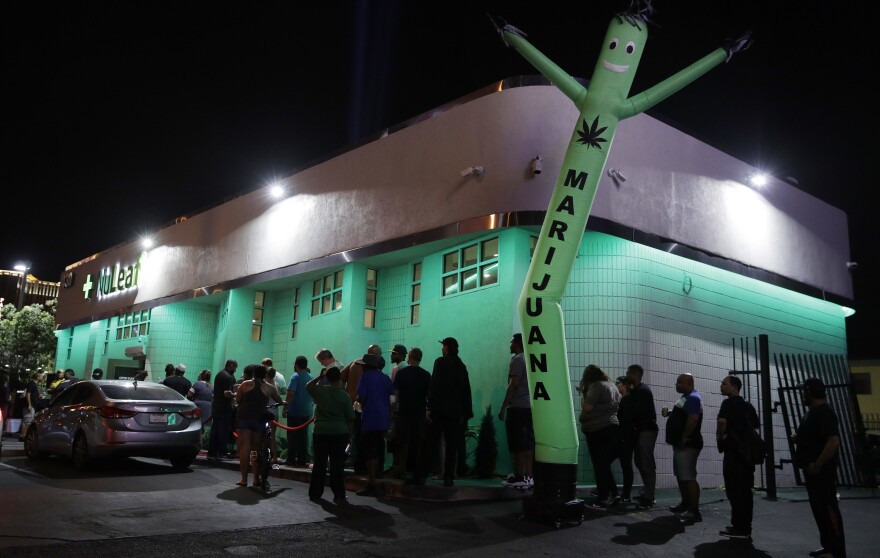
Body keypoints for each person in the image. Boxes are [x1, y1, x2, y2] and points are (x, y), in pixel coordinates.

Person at [794, 377, 846, 558]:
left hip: (822, 471)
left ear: (809, 391)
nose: (802, 394)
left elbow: (833, 442)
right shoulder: (812, 412)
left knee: (829, 509)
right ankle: (828, 545)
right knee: (819, 510)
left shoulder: (825, 412)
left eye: (803, 391)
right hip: (812, 471)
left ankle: (837, 550)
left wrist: (818, 464)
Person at [418, 337, 473, 487]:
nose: (442, 349)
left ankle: (421, 475)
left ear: (447, 348)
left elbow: (434, 386)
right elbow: (466, 392)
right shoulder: (461, 366)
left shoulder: (440, 362)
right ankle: (449, 477)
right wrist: (466, 414)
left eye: (443, 346)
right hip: (455, 414)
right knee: (451, 446)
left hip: (439, 411)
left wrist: (429, 407)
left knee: (430, 443)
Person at [716, 375, 760, 541]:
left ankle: (739, 527)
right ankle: (744, 527)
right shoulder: (748, 406)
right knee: (745, 492)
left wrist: (720, 438)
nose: (721, 386)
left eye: (724, 383)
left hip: (733, 454)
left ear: (734, 387)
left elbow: (721, 423)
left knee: (734, 491)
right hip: (747, 455)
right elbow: (755, 424)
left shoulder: (727, 403)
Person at [306, 366, 354, 503]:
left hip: (321, 431)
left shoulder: (320, 391)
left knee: (319, 463)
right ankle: (339, 494)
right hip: (340, 432)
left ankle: (315, 493)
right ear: (339, 378)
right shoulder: (344, 396)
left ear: (327, 378)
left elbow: (308, 386)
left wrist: (321, 377)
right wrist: (350, 436)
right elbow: (350, 419)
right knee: (337, 465)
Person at [578, 364, 620, 511]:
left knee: (599, 464)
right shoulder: (612, 385)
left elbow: (587, 407)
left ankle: (603, 498)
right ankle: (613, 494)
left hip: (598, 429)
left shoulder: (596, 386)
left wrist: (583, 393)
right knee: (604, 463)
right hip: (611, 427)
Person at [234, 363, 283, 487]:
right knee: (256, 448)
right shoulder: (269, 387)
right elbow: (279, 400)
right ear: (265, 375)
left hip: (244, 418)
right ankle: (256, 478)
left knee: (244, 449)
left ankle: (244, 479)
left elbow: (238, 400)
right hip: (259, 419)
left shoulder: (244, 385)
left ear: (254, 373)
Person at [665, 373, 704, 523]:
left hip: (688, 443)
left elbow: (693, 418)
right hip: (681, 444)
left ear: (689, 383)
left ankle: (694, 511)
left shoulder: (693, 397)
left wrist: (684, 437)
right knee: (681, 475)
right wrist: (671, 413)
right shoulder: (686, 397)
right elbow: (684, 414)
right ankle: (685, 504)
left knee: (688, 477)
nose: (676, 384)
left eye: (679, 382)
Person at [498, 333, 534, 489]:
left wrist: (503, 406)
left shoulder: (518, 360)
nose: (510, 344)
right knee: (527, 443)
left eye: (511, 342)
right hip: (528, 407)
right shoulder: (529, 359)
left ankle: (519, 475)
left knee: (517, 443)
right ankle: (528, 476)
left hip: (517, 406)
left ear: (517, 343)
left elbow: (514, 384)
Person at [355, 353, 394, 496]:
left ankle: (372, 483)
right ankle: (376, 479)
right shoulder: (385, 378)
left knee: (370, 452)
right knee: (378, 451)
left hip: (370, 419)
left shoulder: (365, 378)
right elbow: (392, 400)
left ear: (365, 366)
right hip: (383, 419)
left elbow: (361, 397)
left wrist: (357, 401)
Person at [340, 344, 381, 473]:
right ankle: (358, 463)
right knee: (361, 436)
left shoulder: (355, 362)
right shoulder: (371, 370)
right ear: (377, 356)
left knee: (350, 434)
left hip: (349, 402)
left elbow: (340, 376)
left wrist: (345, 392)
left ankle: (345, 460)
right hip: (361, 406)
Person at [393, 347, 430, 483]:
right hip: (419, 413)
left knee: (404, 442)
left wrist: (393, 409)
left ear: (409, 357)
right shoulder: (426, 375)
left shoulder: (401, 373)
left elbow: (395, 394)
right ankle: (418, 470)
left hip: (404, 412)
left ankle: (401, 469)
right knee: (419, 442)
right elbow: (429, 395)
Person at [626, 364, 659, 509]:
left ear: (635, 374)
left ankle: (649, 497)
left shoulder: (642, 391)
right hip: (643, 430)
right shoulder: (639, 390)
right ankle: (647, 492)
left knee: (646, 463)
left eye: (628, 373)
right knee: (641, 462)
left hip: (646, 430)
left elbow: (636, 413)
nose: (627, 376)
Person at [283, 356, 314, 467]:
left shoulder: (295, 377)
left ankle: (291, 459)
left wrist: (285, 408)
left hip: (295, 410)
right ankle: (302, 459)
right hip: (307, 411)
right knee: (303, 436)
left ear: (296, 365)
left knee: (292, 436)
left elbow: (290, 393)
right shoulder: (311, 377)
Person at [207, 359, 238, 460]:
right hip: (224, 408)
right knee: (223, 431)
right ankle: (222, 453)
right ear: (231, 365)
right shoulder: (227, 377)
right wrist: (237, 394)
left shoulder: (220, 374)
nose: (235, 370)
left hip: (217, 406)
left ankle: (212, 453)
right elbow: (227, 394)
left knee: (215, 429)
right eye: (235, 368)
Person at [611, 375, 635, 503]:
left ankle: (624, 494)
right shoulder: (626, 399)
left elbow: (625, 421)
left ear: (624, 385)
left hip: (624, 438)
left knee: (625, 465)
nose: (616, 385)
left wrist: (621, 437)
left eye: (618, 383)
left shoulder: (627, 400)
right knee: (625, 465)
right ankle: (624, 494)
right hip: (625, 438)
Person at [385, 343, 407, 477]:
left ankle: (396, 466)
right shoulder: (405, 367)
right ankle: (399, 467)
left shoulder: (398, 369)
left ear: (400, 355)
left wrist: (392, 409)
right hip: (404, 408)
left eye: (394, 353)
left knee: (394, 438)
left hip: (397, 409)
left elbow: (394, 392)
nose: (391, 355)